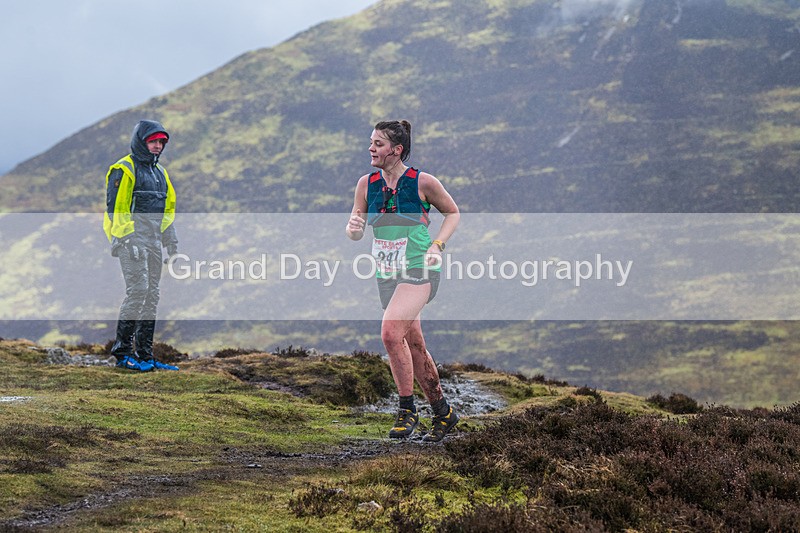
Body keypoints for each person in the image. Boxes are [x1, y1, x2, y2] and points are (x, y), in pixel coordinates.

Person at [346, 120, 461, 442]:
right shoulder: (365, 184)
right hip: (386, 273)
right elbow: (355, 232)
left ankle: (406, 409)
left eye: (378, 144)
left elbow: (453, 213)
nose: (371, 148)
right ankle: (443, 413)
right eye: (371, 142)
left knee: (389, 333)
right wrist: (354, 227)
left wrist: (438, 246)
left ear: (396, 150)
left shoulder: (423, 182)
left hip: (419, 268)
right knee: (414, 344)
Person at [103, 119, 179, 372]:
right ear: (141, 141)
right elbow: (117, 208)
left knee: (152, 296)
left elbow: (167, 210)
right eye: (153, 141)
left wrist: (171, 240)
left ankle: (145, 356)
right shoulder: (124, 169)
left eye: (161, 142)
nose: (157, 146)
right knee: (137, 292)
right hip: (131, 242)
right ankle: (123, 354)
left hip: (154, 242)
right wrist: (126, 239)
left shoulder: (161, 174)